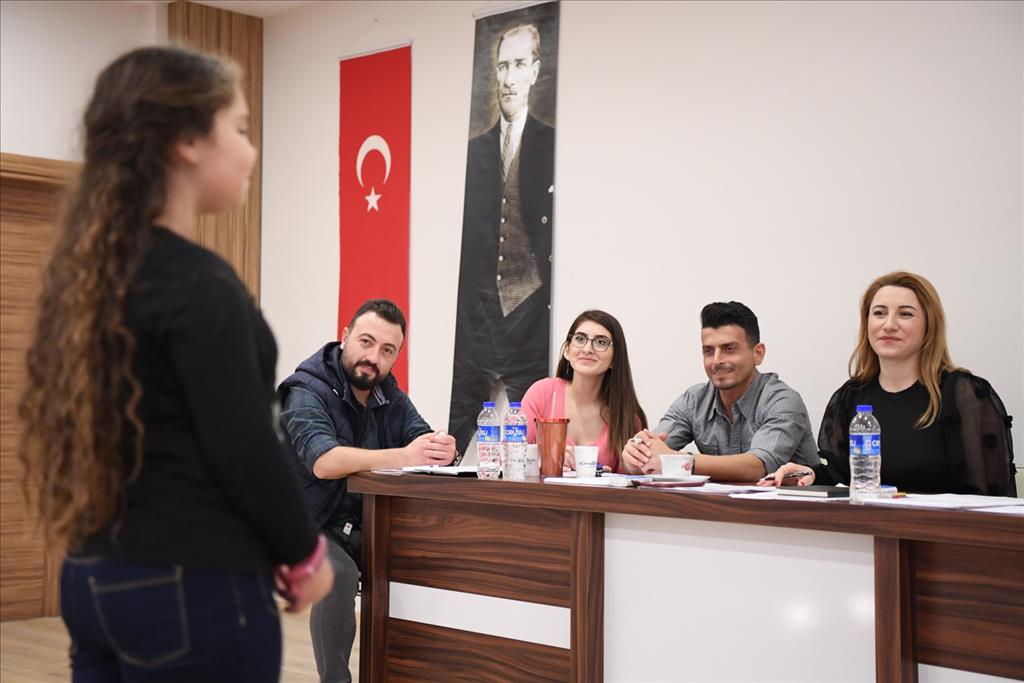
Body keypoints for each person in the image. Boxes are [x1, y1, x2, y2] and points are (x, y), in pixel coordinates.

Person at [16, 46, 332, 682]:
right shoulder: (202, 286)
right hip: (193, 585)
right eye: (239, 129)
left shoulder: (91, 282)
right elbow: (245, 446)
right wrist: (304, 555)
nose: (251, 152)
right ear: (188, 141)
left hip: (93, 577)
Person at [278, 299, 457, 683]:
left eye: (387, 350)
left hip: (365, 523)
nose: (373, 358)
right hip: (307, 524)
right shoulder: (305, 389)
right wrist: (403, 455)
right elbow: (323, 461)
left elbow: (421, 438)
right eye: (366, 342)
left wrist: (443, 448)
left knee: (438, 561)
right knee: (338, 574)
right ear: (345, 337)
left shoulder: (389, 394)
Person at [762, 272, 1016, 495]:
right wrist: (810, 474)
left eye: (905, 314)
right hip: (869, 531)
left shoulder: (964, 394)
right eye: (879, 313)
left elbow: (990, 496)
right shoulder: (851, 396)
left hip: (945, 532)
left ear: (929, 326)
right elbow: (845, 478)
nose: (889, 325)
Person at [449, 23, 556, 454]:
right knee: (456, 443)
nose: (509, 78)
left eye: (519, 65)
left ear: (535, 71)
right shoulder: (475, 149)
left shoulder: (552, 144)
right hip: (477, 318)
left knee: (531, 448)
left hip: (529, 315)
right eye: (502, 66)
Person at [622, 301, 819, 480]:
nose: (716, 361)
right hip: (722, 507)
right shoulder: (694, 400)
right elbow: (652, 451)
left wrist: (680, 461)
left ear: (758, 354)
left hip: (793, 507)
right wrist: (636, 457)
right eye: (708, 351)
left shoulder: (783, 401)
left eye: (729, 349)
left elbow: (756, 467)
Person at [522, 310, 648, 472]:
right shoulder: (542, 393)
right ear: (567, 350)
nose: (587, 349)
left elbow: (632, 482)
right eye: (580, 339)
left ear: (615, 359)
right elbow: (511, 457)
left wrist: (605, 475)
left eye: (601, 342)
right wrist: (544, 461)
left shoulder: (627, 417)